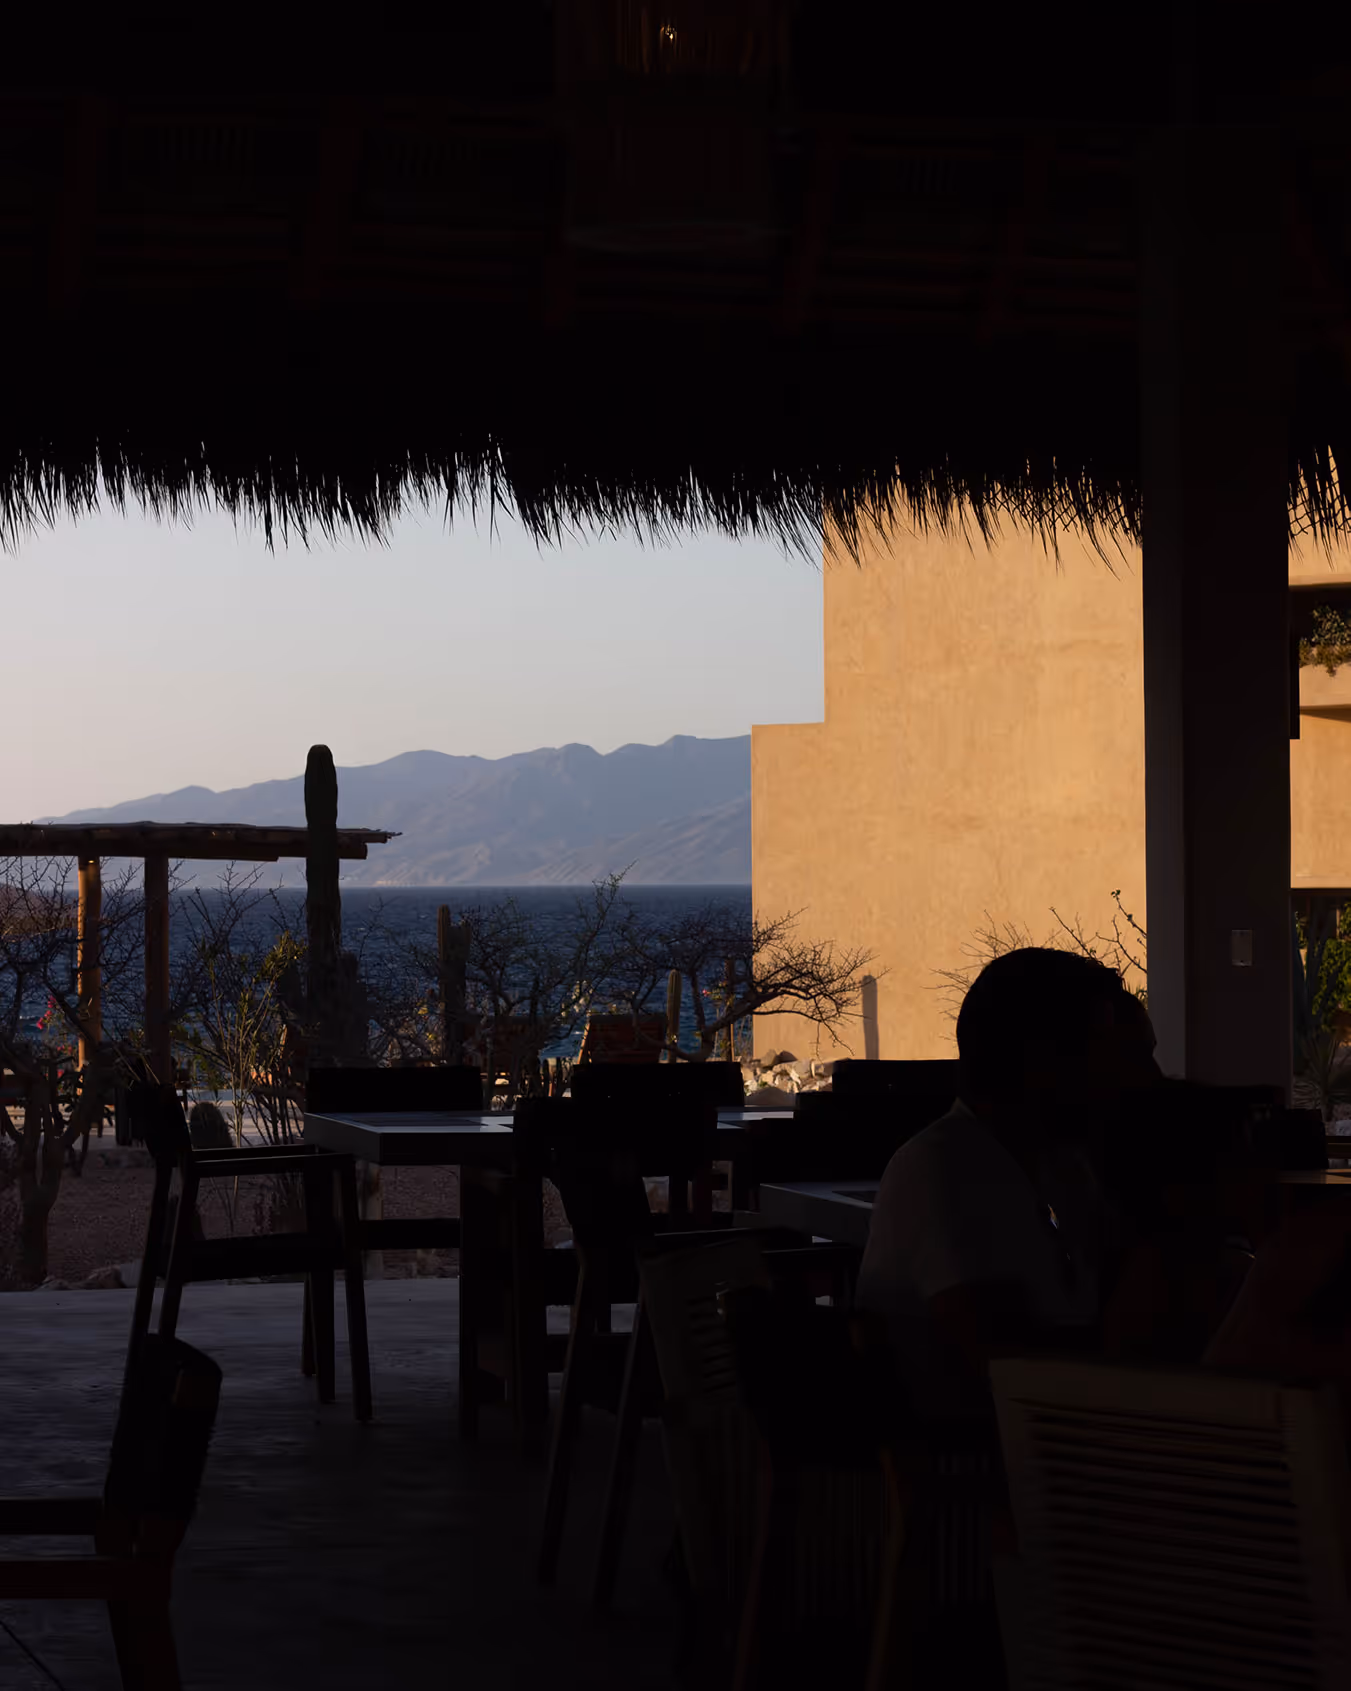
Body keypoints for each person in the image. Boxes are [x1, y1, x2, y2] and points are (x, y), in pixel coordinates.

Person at [855, 948, 1157, 1425]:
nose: (1150, 1082)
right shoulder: (945, 1170)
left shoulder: (1062, 1168)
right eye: (1126, 1057)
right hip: (977, 1460)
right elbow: (1019, 1379)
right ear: (1044, 1060)